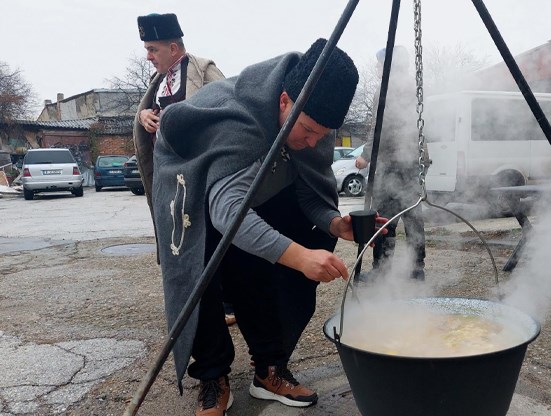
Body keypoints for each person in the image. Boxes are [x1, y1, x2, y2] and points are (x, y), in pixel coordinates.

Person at [153, 39, 369, 415]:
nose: (314, 141)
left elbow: (310, 192)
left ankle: (269, 367)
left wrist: (335, 224)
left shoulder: (313, 120)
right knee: (200, 267)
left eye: (322, 134)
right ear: (284, 100)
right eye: (308, 130)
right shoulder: (242, 120)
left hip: (254, 185)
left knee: (264, 262)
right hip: (196, 185)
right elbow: (227, 212)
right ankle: (212, 375)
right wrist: (301, 258)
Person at [133, 13, 236, 326]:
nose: (148, 56)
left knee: (213, 244)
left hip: (202, 178)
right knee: (184, 247)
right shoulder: (159, 81)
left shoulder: (203, 70)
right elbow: (152, 115)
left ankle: (226, 305)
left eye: (153, 49)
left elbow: (230, 110)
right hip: (171, 181)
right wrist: (143, 119)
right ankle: (199, 310)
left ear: (174, 47)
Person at [355, 46, 428, 281]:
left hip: (394, 160)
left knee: (384, 217)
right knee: (413, 214)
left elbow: (380, 127)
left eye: (379, 64)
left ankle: (382, 270)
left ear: (389, 65)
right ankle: (417, 269)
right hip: (413, 160)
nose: (377, 68)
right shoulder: (412, 85)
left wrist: (366, 155)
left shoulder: (386, 89)